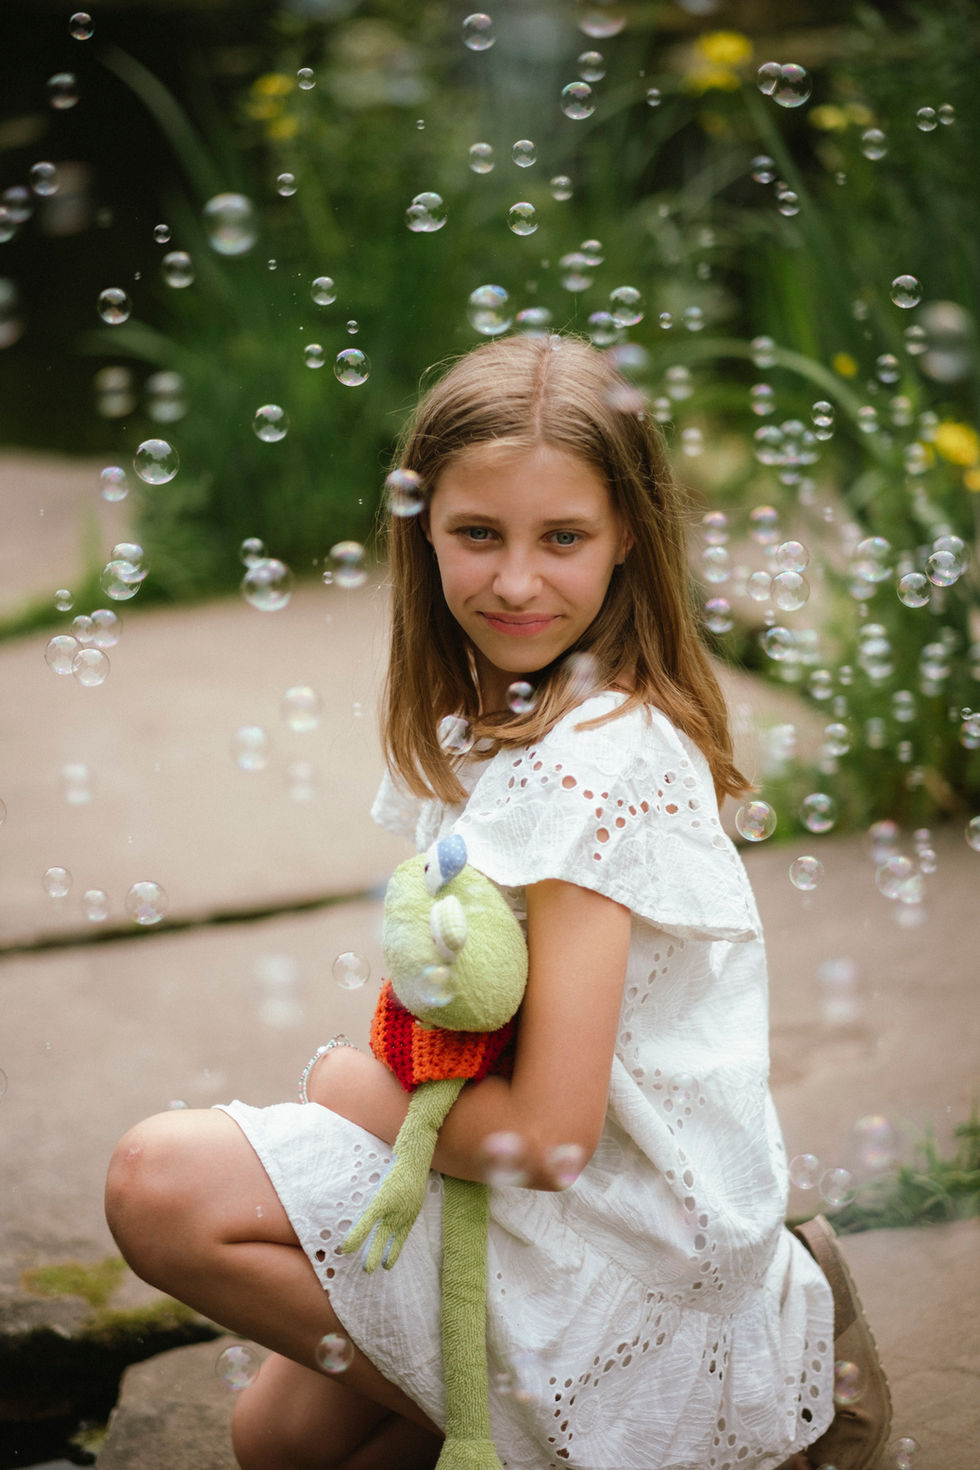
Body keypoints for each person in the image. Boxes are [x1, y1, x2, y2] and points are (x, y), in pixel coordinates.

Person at [105, 334, 888, 1470]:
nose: (514, 581)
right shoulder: (497, 714)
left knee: (160, 1182)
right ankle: (563, 1423)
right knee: (277, 1439)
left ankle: (633, 1426)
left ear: (627, 538)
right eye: (478, 533)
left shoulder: (598, 759)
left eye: (561, 537)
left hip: (619, 1236)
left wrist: (338, 1080)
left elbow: (549, 1140)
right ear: (423, 529)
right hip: (525, 1193)